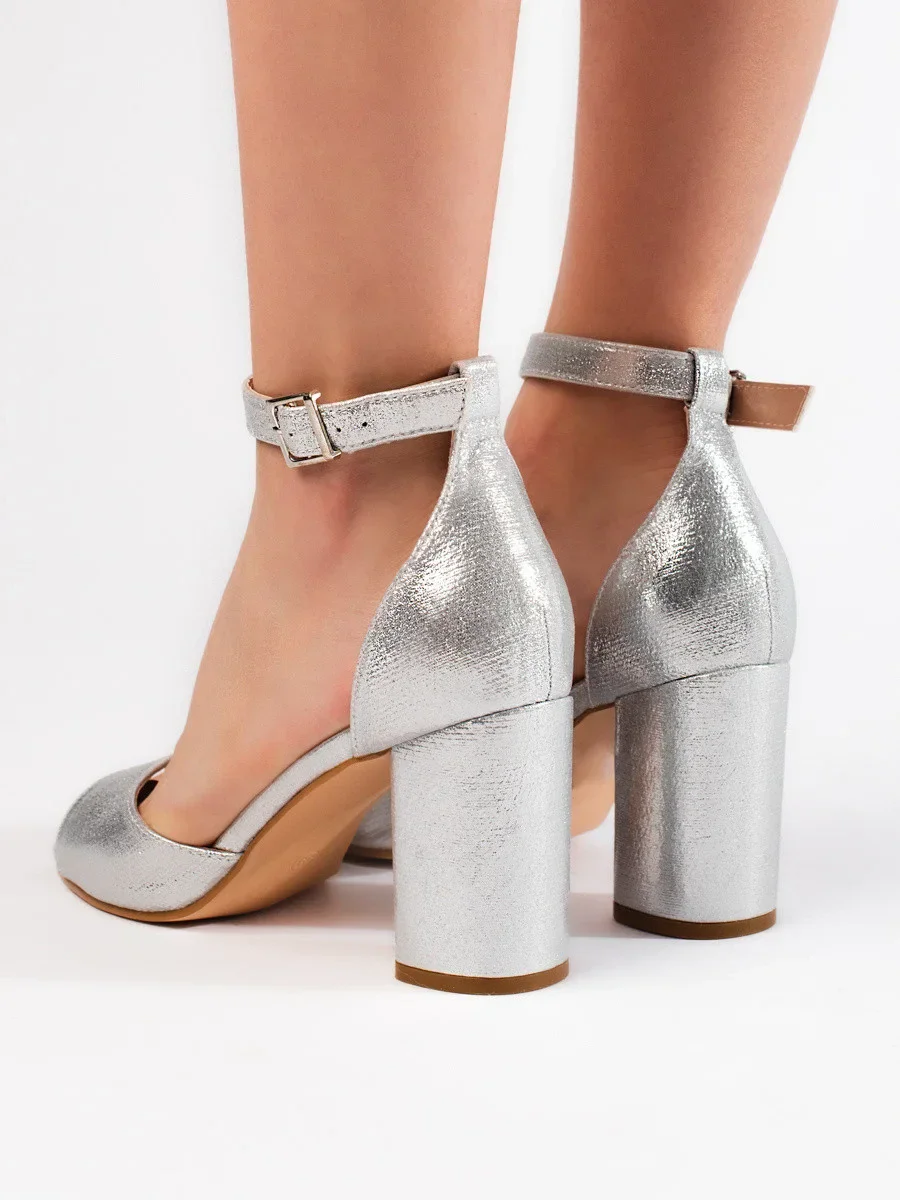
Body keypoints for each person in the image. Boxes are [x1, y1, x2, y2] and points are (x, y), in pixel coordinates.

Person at [54, 1, 836, 992]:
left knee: (375, 486)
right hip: (685, 526)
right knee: (627, 408)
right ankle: (624, 462)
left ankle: (360, 525)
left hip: (386, 563)